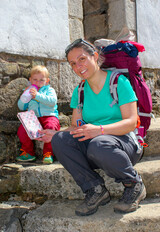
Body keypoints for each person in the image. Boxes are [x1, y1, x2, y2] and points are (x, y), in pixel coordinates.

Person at [37, 39, 146, 215]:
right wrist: (54, 133)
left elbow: (132, 122)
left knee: (99, 143)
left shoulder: (119, 82)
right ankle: (95, 189)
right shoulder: (79, 91)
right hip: (97, 148)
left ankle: (133, 184)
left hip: (124, 146)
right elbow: (75, 126)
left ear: (95, 56)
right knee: (60, 140)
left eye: (82, 59)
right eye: (73, 63)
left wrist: (100, 130)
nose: (78, 66)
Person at [16, 65, 60, 164]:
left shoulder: (49, 90)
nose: (38, 82)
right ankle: (28, 153)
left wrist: (37, 96)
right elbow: (21, 107)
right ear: (30, 80)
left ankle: (48, 153)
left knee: (51, 127)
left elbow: (52, 101)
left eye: (41, 80)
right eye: (35, 80)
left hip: (49, 116)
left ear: (47, 81)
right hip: (34, 118)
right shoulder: (28, 91)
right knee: (22, 130)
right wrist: (25, 97)